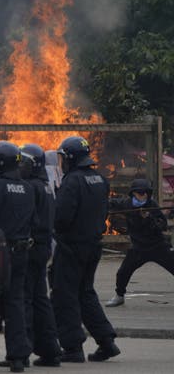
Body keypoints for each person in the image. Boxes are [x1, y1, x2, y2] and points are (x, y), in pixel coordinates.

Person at [51, 136, 120, 363]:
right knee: (85, 292)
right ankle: (106, 342)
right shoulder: (99, 179)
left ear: (70, 158)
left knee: (64, 295)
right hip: (93, 245)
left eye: (63, 158)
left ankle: (72, 348)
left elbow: (61, 218)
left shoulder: (72, 182)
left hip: (71, 247)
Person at [0, 141, 35, 373]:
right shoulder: (28, 187)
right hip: (22, 251)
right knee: (16, 303)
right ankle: (19, 355)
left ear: (0, 162)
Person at [19, 144, 62, 367]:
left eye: (22, 161)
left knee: (24, 300)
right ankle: (50, 350)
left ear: (32, 163)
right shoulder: (44, 186)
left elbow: (23, 218)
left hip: (30, 247)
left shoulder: (30, 187)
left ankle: (22, 351)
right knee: (40, 299)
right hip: (43, 247)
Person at [105, 178, 174, 307]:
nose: (143, 196)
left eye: (145, 193)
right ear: (133, 194)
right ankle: (119, 296)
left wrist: (150, 219)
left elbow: (163, 225)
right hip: (138, 248)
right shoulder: (127, 204)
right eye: (140, 193)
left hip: (158, 246)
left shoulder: (152, 205)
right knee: (123, 272)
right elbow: (112, 204)